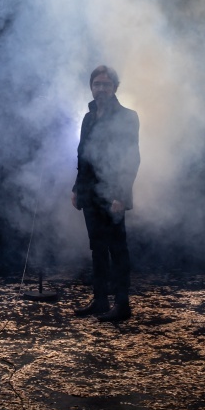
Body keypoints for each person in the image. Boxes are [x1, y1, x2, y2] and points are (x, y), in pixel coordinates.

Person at [71, 65, 141, 322]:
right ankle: (100, 300)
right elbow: (82, 156)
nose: (101, 89)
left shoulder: (127, 116)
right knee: (97, 248)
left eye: (106, 84)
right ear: (91, 87)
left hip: (113, 194)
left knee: (117, 249)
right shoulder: (88, 117)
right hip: (90, 193)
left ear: (114, 88)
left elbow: (131, 159)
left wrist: (121, 196)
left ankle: (122, 304)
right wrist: (77, 188)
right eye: (97, 84)